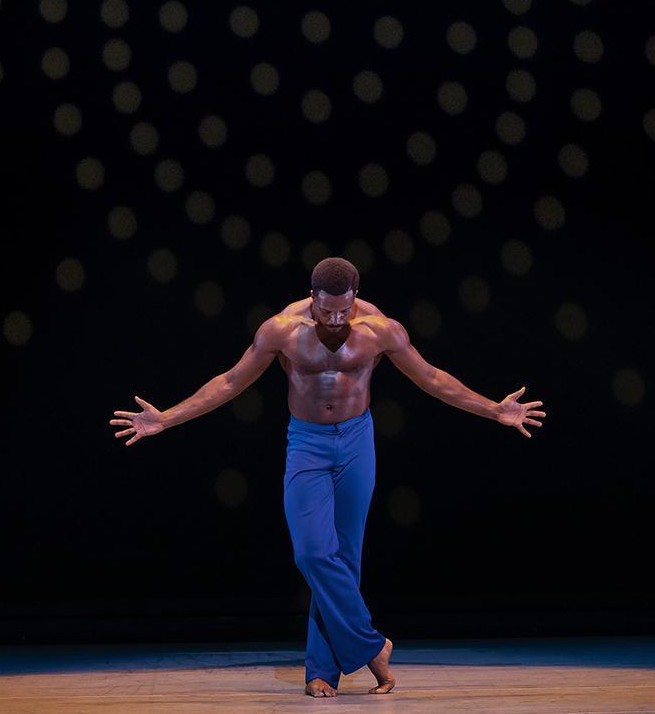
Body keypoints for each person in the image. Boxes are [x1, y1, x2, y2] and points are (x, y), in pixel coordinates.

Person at [109, 257, 546, 697]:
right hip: (307, 443)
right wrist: (166, 419)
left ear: (355, 296)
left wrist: (493, 409)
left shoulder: (381, 330)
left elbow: (432, 378)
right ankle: (373, 646)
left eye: (344, 310)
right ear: (312, 296)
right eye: (326, 310)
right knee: (314, 554)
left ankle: (321, 671)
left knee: (344, 559)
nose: (335, 319)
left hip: (356, 440)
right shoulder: (280, 329)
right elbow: (229, 382)